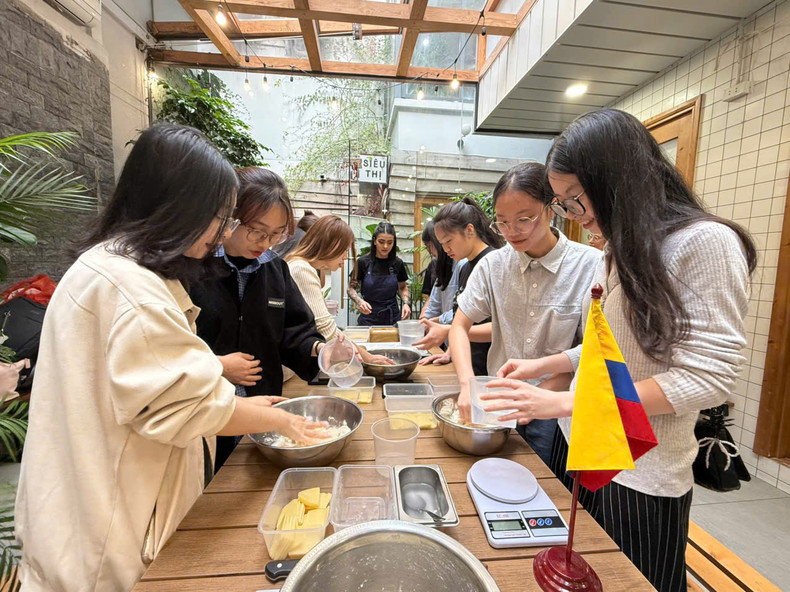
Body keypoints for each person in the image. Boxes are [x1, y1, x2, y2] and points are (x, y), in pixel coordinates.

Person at [14, 125, 327, 592]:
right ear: (177, 205)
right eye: (223, 217)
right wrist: (280, 421)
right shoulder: (134, 290)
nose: (224, 232)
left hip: (86, 517)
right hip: (108, 541)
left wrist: (292, 376)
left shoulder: (111, 266)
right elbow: (192, 407)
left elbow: (171, 386)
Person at [484, 109, 757, 592]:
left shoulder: (705, 243)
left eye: (576, 200)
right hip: (584, 445)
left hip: (641, 469)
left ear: (620, 182)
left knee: (634, 580)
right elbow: (609, 352)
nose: (576, 216)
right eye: (565, 203)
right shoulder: (619, 249)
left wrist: (568, 400)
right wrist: (548, 364)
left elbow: (709, 377)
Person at [448, 162, 599, 466]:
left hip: (555, 411)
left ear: (552, 208)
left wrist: (538, 398)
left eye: (524, 219)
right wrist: (468, 384)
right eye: (501, 223)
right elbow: (458, 327)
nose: (511, 232)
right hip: (497, 402)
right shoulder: (494, 266)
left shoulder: (591, 266)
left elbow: (593, 351)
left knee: (543, 486)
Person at [189, 167, 327, 470]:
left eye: (275, 234)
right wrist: (219, 366)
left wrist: (320, 350)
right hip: (205, 421)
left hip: (262, 412)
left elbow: (296, 331)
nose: (265, 243)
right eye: (256, 230)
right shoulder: (193, 269)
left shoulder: (274, 270)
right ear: (228, 219)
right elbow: (173, 354)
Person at [286, 215, 394, 366]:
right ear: (330, 244)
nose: (345, 258)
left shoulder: (299, 265)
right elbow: (327, 331)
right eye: (344, 250)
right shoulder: (301, 269)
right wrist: (368, 358)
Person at [415, 197, 504, 373]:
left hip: (488, 370)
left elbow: (502, 328)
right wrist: (449, 352)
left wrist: (450, 331)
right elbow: (461, 318)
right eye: (442, 244)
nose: (446, 249)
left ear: (470, 230)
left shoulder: (495, 264)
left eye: (449, 241)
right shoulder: (464, 267)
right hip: (466, 365)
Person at [348, 222, 410, 325]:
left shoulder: (397, 263)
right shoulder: (363, 262)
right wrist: (359, 302)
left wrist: (406, 303)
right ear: (374, 241)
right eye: (381, 242)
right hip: (369, 316)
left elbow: (403, 287)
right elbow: (351, 288)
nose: (385, 246)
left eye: (390, 242)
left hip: (392, 317)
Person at [418, 221, 439, 318]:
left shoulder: (460, 264)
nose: (430, 251)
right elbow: (431, 295)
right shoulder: (434, 264)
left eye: (430, 246)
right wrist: (425, 312)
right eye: (427, 247)